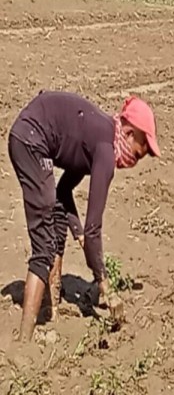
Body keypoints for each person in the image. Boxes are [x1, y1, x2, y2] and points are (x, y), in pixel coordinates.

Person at [7, 91, 160, 342]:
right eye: (139, 152)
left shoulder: (97, 138)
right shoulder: (105, 151)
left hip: (29, 137)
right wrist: (104, 285)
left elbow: (64, 193)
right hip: (31, 140)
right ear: (130, 133)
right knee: (44, 245)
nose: (136, 161)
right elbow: (94, 229)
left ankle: (53, 310)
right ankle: (25, 342)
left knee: (55, 217)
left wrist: (78, 235)